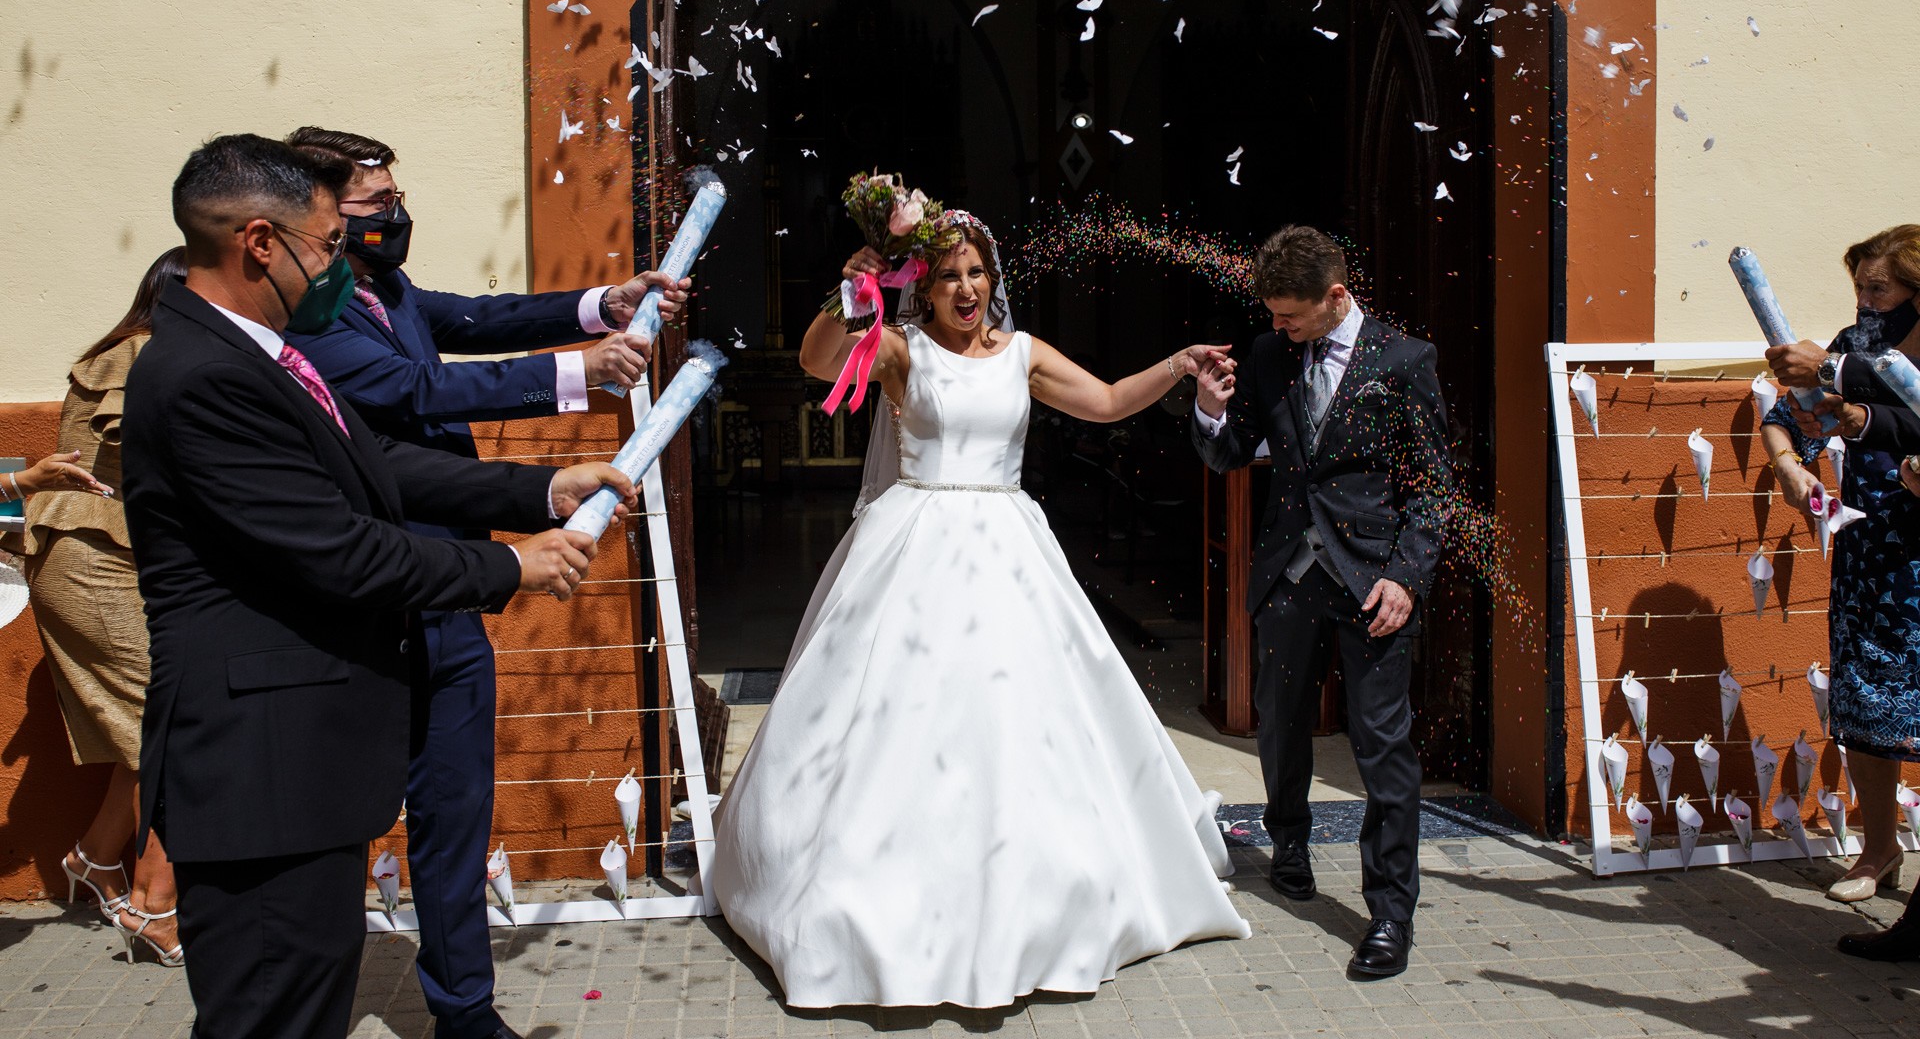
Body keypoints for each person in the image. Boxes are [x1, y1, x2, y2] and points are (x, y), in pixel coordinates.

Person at [122, 133, 636, 1039]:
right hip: (259, 770)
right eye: (327, 244)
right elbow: (340, 550)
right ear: (260, 243)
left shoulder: (257, 353)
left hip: (301, 762)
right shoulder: (204, 375)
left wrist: (539, 489)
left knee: (309, 997)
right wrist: (512, 563)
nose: (339, 266)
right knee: (272, 1014)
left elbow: (383, 465)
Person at [709, 211, 1250, 1009]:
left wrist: (1176, 365)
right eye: (947, 276)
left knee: (1016, 719)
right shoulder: (901, 351)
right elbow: (818, 362)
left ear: (993, 278)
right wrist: (847, 291)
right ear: (921, 289)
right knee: (893, 719)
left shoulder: (1023, 355)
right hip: (911, 541)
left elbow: (1101, 402)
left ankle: (1036, 894)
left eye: (976, 273)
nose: (965, 288)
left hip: (1008, 547)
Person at [280, 126, 689, 1039]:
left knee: (455, 812)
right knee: (342, 815)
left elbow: (473, 319)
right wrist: (574, 378)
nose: (398, 217)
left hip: (451, 585)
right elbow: (416, 395)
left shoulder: (383, 288)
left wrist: (601, 305)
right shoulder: (312, 317)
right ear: (320, 218)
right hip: (371, 592)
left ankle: (464, 1012)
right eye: (376, 206)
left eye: (398, 198)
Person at [1189, 225, 1451, 981]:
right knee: (1280, 725)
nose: (1278, 328)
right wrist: (1209, 412)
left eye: (1291, 315)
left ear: (1336, 296)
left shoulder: (1404, 362)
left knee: (1382, 748)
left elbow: (1433, 487)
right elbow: (1233, 452)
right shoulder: (1269, 356)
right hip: (1289, 577)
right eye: (1272, 315)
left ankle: (1391, 914)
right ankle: (1291, 845)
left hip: (1374, 583)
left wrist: (1406, 575)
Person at [5, 249, 188, 965]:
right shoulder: (138, 354)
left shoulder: (146, 350)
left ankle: (93, 855)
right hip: (90, 558)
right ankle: (154, 903)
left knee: (154, 724)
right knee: (172, 724)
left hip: (110, 554)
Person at [1760, 224, 1920, 916]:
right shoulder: (1852, 348)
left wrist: (1849, 406)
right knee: (1862, 709)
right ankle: (1878, 847)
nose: (1865, 302)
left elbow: (1884, 411)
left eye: (1878, 289)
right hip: (1868, 548)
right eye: (1858, 288)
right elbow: (1786, 415)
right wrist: (1791, 466)